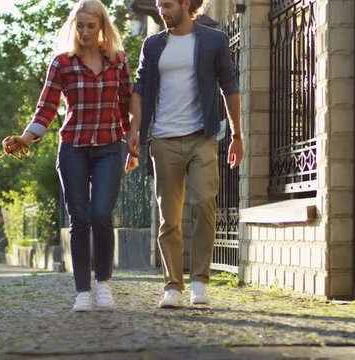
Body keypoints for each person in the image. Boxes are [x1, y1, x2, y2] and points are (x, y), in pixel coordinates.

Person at [2, 0, 131, 312]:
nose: (85, 32)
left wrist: (134, 143)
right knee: (80, 219)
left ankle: (103, 285)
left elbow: (127, 106)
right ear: (74, 27)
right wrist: (24, 137)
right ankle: (82, 292)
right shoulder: (62, 63)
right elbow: (45, 109)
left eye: (91, 26)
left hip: (109, 148)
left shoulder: (118, 61)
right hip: (72, 147)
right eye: (80, 26)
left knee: (102, 214)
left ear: (102, 28)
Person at [126, 0, 244, 308]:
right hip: (163, 140)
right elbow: (139, 90)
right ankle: (173, 286)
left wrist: (237, 136)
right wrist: (135, 132)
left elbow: (229, 87)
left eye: (167, 5)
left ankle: (200, 282)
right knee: (170, 218)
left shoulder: (213, 40)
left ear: (185, 4)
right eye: (158, 6)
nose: (161, 11)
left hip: (201, 137)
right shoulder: (152, 46)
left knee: (204, 202)